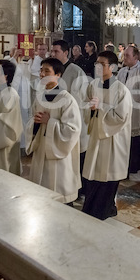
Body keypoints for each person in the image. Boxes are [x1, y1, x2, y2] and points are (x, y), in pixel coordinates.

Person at [82, 51, 132, 219]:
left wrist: (100, 107)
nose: (97, 66)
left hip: (113, 139)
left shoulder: (121, 90)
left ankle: (101, 209)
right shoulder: (93, 85)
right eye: (96, 63)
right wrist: (90, 108)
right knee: (94, 175)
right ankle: (106, 207)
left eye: (101, 64)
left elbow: (120, 118)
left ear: (112, 67)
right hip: (97, 136)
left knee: (108, 175)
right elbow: (87, 108)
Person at [25, 57, 82, 203]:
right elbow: (33, 119)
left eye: (46, 71)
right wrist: (35, 122)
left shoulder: (67, 100)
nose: (42, 74)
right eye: (41, 70)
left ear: (58, 75)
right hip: (41, 150)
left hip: (58, 155)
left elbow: (72, 130)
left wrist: (49, 122)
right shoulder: (40, 97)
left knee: (58, 197)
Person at [50, 39, 90, 190]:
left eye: (56, 51)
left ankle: (78, 188)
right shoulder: (52, 70)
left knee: (76, 156)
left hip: (72, 120)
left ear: (66, 53)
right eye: (52, 51)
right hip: (56, 121)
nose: (53, 54)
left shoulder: (75, 71)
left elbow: (81, 99)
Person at [117, 45, 140, 182]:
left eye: (127, 55)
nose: (124, 58)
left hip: (139, 113)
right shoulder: (122, 71)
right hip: (124, 112)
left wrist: (127, 95)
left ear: (136, 57)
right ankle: (126, 169)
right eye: (124, 55)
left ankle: (138, 170)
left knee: (138, 143)